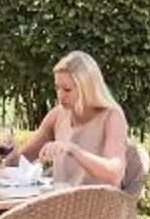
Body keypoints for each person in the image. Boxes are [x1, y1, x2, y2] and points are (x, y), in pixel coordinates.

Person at [22, 50, 133, 187]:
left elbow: (114, 174)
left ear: (86, 88)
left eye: (67, 90)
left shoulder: (111, 117)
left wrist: (74, 150)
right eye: (57, 88)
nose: (60, 96)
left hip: (97, 200)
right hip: (60, 199)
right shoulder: (57, 115)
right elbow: (23, 158)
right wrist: (10, 155)